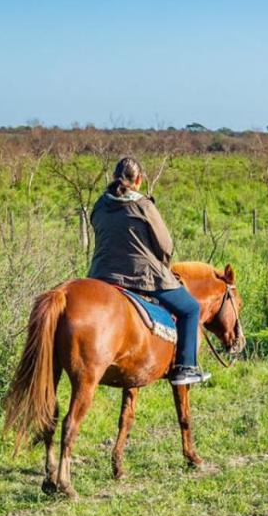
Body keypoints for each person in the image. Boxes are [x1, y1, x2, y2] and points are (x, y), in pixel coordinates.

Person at [88, 157, 211, 386]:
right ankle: (186, 367)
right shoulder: (143, 205)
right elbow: (165, 246)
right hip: (141, 276)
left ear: (114, 177)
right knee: (190, 309)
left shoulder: (99, 204)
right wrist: (163, 266)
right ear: (139, 180)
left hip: (100, 275)